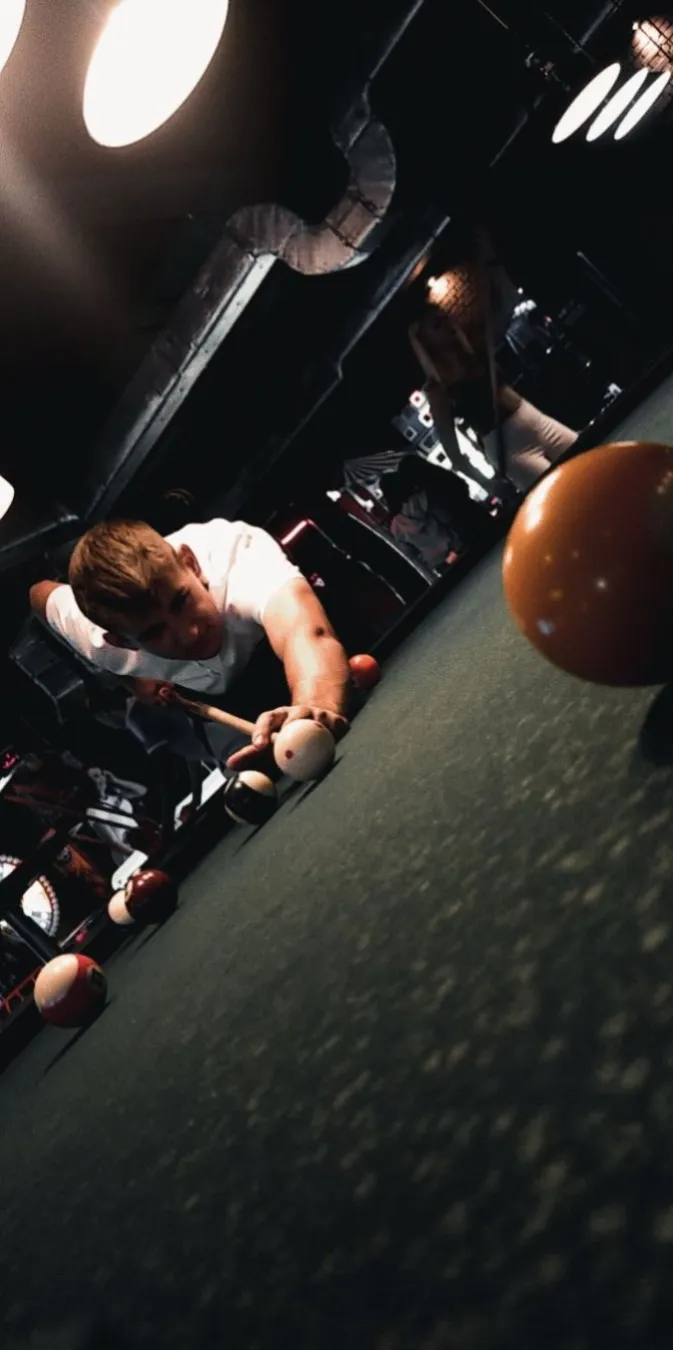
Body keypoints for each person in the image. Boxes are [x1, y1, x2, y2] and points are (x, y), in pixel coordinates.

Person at [29, 517, 351, 777]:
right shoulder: (99, 641)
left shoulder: (235, 555)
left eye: (181, 601)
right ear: (123, 642)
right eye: (155, 632)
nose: (190, 633)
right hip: (224, 705)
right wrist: (130, 680)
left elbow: (306, 633)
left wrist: (315, 705)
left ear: (191, 564)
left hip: (285, 658)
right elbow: (38, 595)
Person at [409, 290, 578, 494]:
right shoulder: (438, 389)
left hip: (536, 421)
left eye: (445, 318)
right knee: (563, 492)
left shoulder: (473, 352)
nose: (447, 324)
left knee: (587, 460)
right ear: (426, 343)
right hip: (513, 451)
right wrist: (487, 483)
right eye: (438, 325)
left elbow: (504, 303)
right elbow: (453, 452)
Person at [379, 452, 496, 573]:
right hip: (461, 540)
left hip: (439, 563)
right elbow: (446, 516)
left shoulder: (395, 527)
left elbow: (410, 554)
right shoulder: (424, 496)